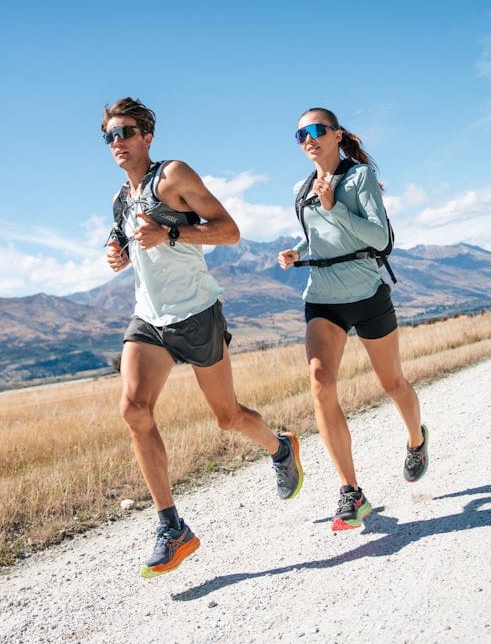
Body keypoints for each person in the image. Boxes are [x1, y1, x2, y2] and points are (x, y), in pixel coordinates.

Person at [101, 97, 304, 578]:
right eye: (109, 136)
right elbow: (126, 235)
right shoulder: (120, 199)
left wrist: (171, 237)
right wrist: (118, 251)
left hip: (196, 314)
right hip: (150, 319)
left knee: (227, 417)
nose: (118, 143)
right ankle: (172, 527)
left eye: (126, 132)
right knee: (133, 409)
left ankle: (280, 448)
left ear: (147, 136)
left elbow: (229, 231)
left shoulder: (172, 176)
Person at [276, 107, 428, 532]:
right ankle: (351, 491)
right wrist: (296, 251)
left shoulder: (359, 178)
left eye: (316, 130)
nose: (308, 138)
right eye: (300, 134)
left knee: (392, 382)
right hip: (322, 299)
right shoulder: (300, 187)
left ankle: (416, 440)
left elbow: (381, 238)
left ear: (336, 134)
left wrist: (333, 205)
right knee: (321, 385)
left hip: (366, 294)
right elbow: (319, 237)